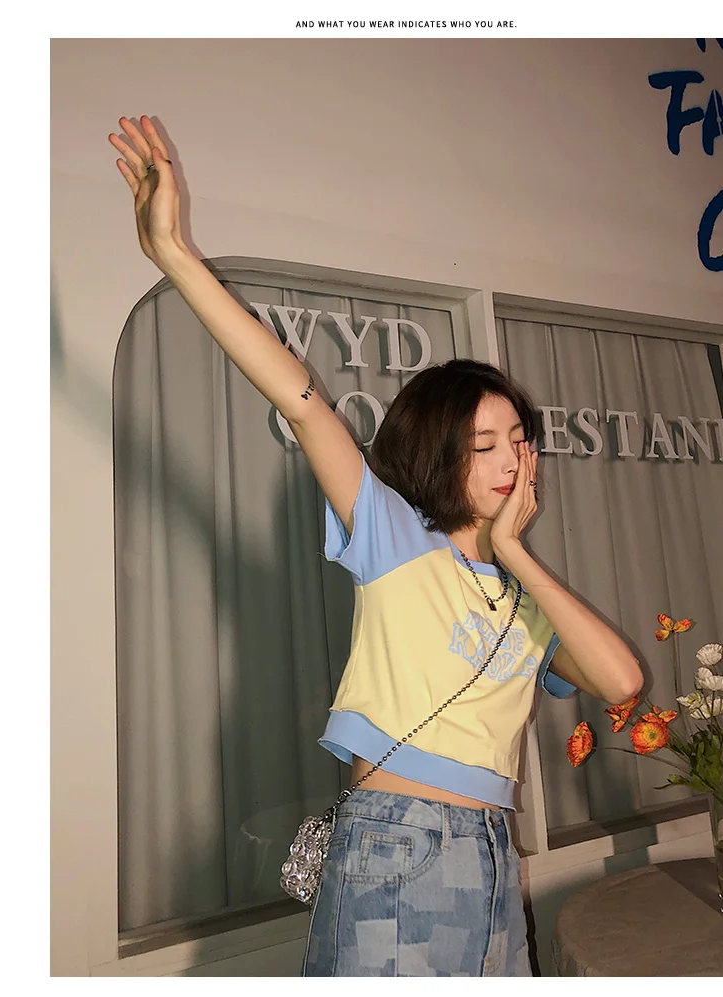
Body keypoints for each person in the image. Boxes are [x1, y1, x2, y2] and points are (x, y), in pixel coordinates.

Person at [109, 116, 644, 977]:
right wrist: (173, 251)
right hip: (399, 839)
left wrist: (516, 555)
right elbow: (301, 399)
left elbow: (622, 682)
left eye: (520, 440)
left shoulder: (526, 599)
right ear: (440, 451)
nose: (512, 459)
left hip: (493, 849)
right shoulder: (396, 533)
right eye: (485, 443)